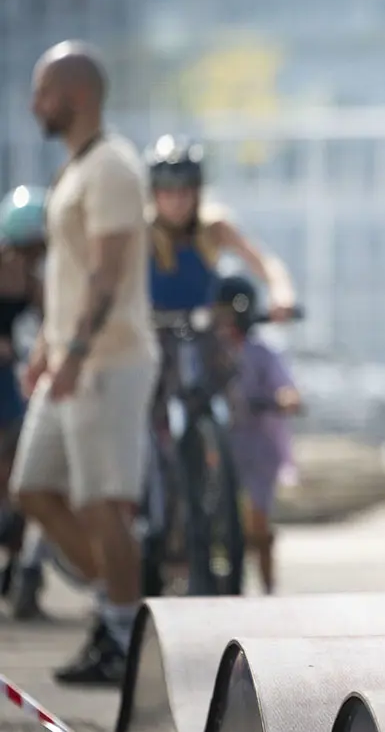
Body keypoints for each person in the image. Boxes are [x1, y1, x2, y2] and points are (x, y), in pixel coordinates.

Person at [11, 40, 158, 684]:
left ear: (76, 96)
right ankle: (118, 597)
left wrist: (71, 352)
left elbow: (106, 272)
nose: (34, 102)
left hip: (108, 362)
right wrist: (45, 349)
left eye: (44, 90)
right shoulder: (73, 170)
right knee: (32, 490)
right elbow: (67, 277)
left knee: (105, 504)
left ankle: (122, 634)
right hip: (68, 361)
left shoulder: (112, 168)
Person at [212, 275, 302, 596]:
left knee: (257, 523)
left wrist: (285, 400)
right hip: (218, 445)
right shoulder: (208, 349)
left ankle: (268, 587)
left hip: (259, 445)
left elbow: (286, 389)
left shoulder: (263, 351)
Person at [146, 135, 296, 315]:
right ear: (154, 193)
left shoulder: (213, 227)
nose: (177, 201)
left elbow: (265, 263)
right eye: (168, 191)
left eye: (184, 190)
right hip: (152, 337)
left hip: (208, 336)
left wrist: (281, 294)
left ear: (198, 191)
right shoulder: (141, 234)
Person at [0, 186, 47, 617]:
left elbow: (53, 316)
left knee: (19, 474)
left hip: (10, 384)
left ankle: (19, 568)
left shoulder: (31, 282)